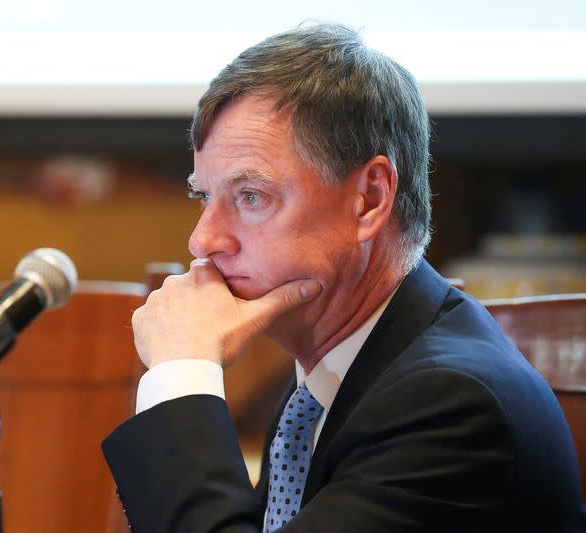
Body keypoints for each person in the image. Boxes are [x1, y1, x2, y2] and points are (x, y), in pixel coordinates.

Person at [102, 23, 586, 532]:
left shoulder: (450, 405)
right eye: (205, 197)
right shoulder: (326, 385)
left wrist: (182, 371)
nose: (203, 240)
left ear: (370, 199)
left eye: (251, 197)